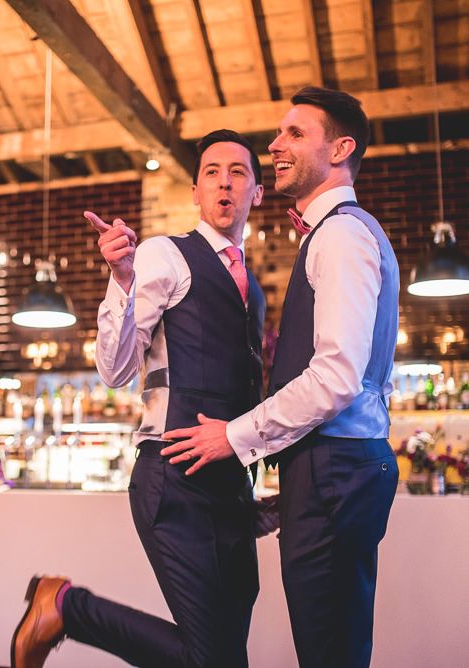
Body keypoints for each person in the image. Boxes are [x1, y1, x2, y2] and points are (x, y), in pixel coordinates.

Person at [162, 87, 400, 668]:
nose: (275, 144)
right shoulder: (335, 233)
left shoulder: (340, 234)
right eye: (278, 133)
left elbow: (337, 377)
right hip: (331, 471)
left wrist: (235, 436)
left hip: (333, 472)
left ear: (340, 149)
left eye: (295, 133)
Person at [10, 129, 266, 668]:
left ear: (257, 193)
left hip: (233, 490)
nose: (224, 182)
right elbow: (116, 368)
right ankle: (67, 608)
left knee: (224, 658)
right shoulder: (165, 255)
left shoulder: (253, 289)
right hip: (174, 478)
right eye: (212, 172)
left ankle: (62, 607)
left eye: (238, 172)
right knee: (214, 659)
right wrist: (122, 279)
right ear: (195, 191)